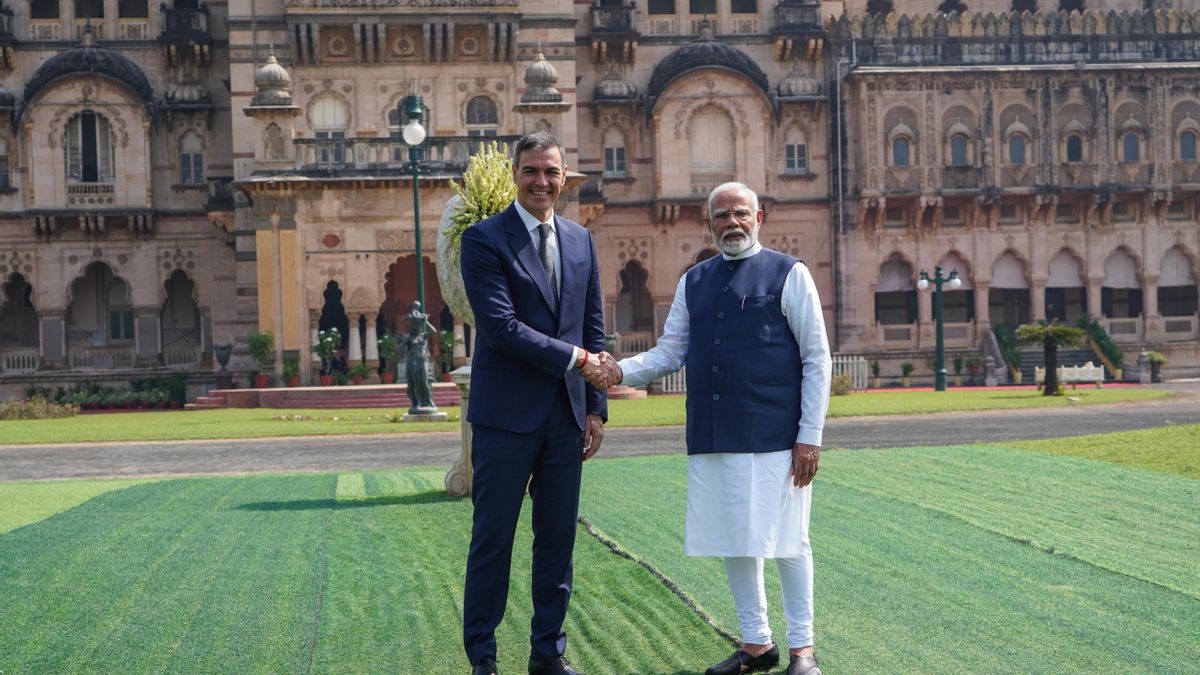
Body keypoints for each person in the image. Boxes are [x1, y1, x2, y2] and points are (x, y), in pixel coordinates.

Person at [586, 182, 831, 675]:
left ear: (759, 217)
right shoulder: (693, 281)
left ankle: (803, 649)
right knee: (733, 538)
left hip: (776, 435)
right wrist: (618, 372)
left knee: (788, 540)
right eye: (721, 216)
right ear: (710, 222)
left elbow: (817, 359)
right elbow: (670, 352)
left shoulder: (790, 274)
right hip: (714, 432)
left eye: (741, 213)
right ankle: (758, 644)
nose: (731, 223)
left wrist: (811, 436)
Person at [459, 130, 611, 675]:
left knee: (557, 545)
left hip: (567, 418)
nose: (541, 181)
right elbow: (500, 329)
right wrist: (578, 360)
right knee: (493, 541)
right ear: (515, 176)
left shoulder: (579, 239)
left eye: (551, 172)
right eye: (531, 171)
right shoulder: (483, 239)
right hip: (505, 418)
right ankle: (483, 657)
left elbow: (593, 325)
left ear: (564, 177)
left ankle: (549, 654)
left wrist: (595, 407)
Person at [402, 301, 436, 411]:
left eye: (418, 326)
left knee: (424, 381)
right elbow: (401, 348)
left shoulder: (423, 336)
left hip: (423, 361)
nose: (416, 328)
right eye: (415, 326)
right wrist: (408, 352)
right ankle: (416, 403)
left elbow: (433, 331)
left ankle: (429, 401)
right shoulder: (409, 338)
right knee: (415, 383)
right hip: (413, 361)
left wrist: (425, 321)